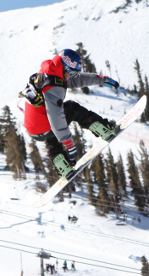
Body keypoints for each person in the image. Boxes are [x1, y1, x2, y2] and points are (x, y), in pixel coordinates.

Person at [21, 48, 120, 179]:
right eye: (72, 73)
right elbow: (56, 118)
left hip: (34, 130)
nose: (72, 76)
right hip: (47, 123)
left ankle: (61, 163)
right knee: (73, 108)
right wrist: (69, 146)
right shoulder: (53, 85)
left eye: (75, 73)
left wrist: (101, 79)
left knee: (52, 136)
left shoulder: (50, 71)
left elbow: (74, 80)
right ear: (65, 67)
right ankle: (103, 128)